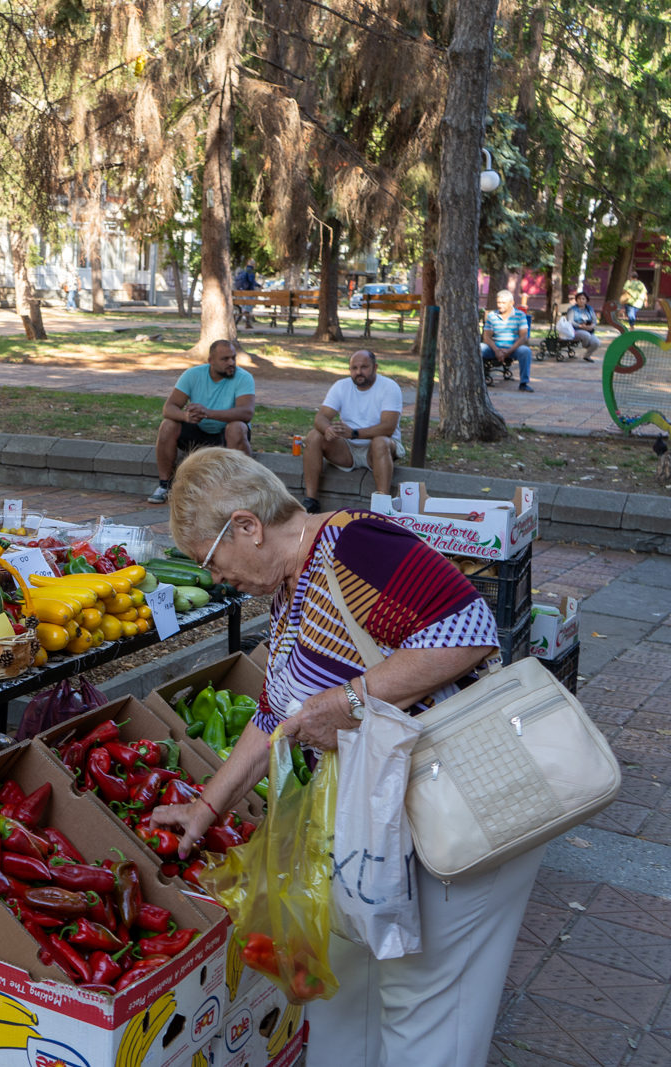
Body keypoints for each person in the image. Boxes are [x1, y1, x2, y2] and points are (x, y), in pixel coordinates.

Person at [153, 448, 525, 1067]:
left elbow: (469, 631)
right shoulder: (290, 585)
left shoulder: (356, 546)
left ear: (247, 526)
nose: (214, 578)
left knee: (426, 1006)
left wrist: (350, 700)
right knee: (347, 989)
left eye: (211, 561)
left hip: (455, 808)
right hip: (382, 817)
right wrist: (205, 808)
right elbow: (273, 717)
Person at [147, 339, 254, 504]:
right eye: (225, 359)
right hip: (198, 433)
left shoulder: (244, 377)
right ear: (211, 360)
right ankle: (164, 486)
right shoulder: (192, 375)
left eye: (233, 357)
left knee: (237, 427)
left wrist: (209, 413)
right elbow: (168, 408)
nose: (231, 363)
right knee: (168, 425)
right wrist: (186, 417)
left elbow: (246, 413)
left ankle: (237, 488)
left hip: (227, 436)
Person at [299, 349, 403, 512]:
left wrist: (354, 433)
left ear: (375, 367)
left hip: (380, 447)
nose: (358, 372)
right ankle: (311, 501)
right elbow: (321, 417)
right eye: (354, 368)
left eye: (364, 367)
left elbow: (388, 427)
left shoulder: (389, 387)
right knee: (313, 436)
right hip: (348, 449)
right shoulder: (341, 386)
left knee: (380, 442)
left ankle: (382, 507)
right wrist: (327, 428)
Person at [482, 288, 533, 392]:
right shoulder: (492, 316)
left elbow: (523, 337)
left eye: (503, 303)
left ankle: (524, 383)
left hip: (513, 349)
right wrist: (497, 351)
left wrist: (508, 351)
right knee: (479, 348)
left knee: (526, 351)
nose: (500, 305)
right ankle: (478, 379)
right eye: (498, 302)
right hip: (494, 348)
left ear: (511, 303)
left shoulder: (520, 315)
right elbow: (486, 337)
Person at [563, 290, 601, 362]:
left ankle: (587, 356)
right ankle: (585, 345)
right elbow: (570, 321)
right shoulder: (572, 309)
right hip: (576, 330)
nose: (581, 300)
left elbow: (594, 321)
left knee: (596, 343)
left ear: (586, 300)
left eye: (583, 299)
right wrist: (580, 326)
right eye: (579, 298)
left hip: (589, 329)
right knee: (586, 335)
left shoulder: (590, 309)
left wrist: (591, 326)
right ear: (576, 300)